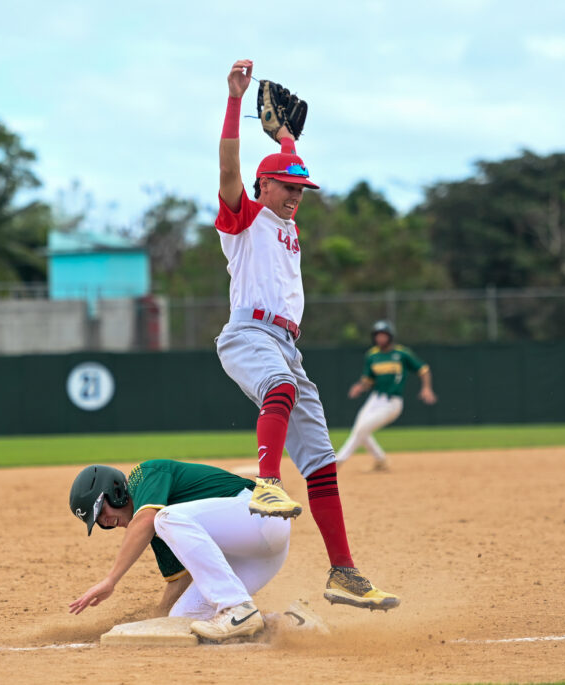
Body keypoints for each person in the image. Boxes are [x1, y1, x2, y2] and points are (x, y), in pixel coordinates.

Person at [214, 58, 398, 610]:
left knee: (321, 461)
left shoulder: (288, 218)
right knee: (279, 387)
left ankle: (343, 572)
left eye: (302, 189)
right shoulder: (244, 218)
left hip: (289, 346)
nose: (296, 195)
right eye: (287, 187)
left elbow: (289, 163)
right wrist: (233, 100)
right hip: (248, 333)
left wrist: (288, 138)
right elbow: (229, 169)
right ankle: (267, 480)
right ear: (262, 186)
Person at [67, 460, 291, 641]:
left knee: (165, 518)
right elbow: (179, 580)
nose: (105, 522)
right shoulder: (160, 529)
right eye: (98, 522)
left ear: (114, 490)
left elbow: (146, 520)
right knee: (181, 622)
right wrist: (159, 617)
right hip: (257, 556)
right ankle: (285, 624)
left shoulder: (144, 475)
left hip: (260, 515)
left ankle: (236, 605)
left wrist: (110, 580)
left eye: (100, 511)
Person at [336, 320, 437, 471]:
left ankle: (337, 462)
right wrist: (360, 387)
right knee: (360, 429)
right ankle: (381, 461)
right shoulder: (372, 355)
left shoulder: (401, 353)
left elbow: (424, 369)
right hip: (375, 399)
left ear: (390, 336)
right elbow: (368, 380)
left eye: (383, 335)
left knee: (362, 429)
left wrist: (427, 388)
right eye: (377, 335)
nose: (380, 338)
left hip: (392, 402)